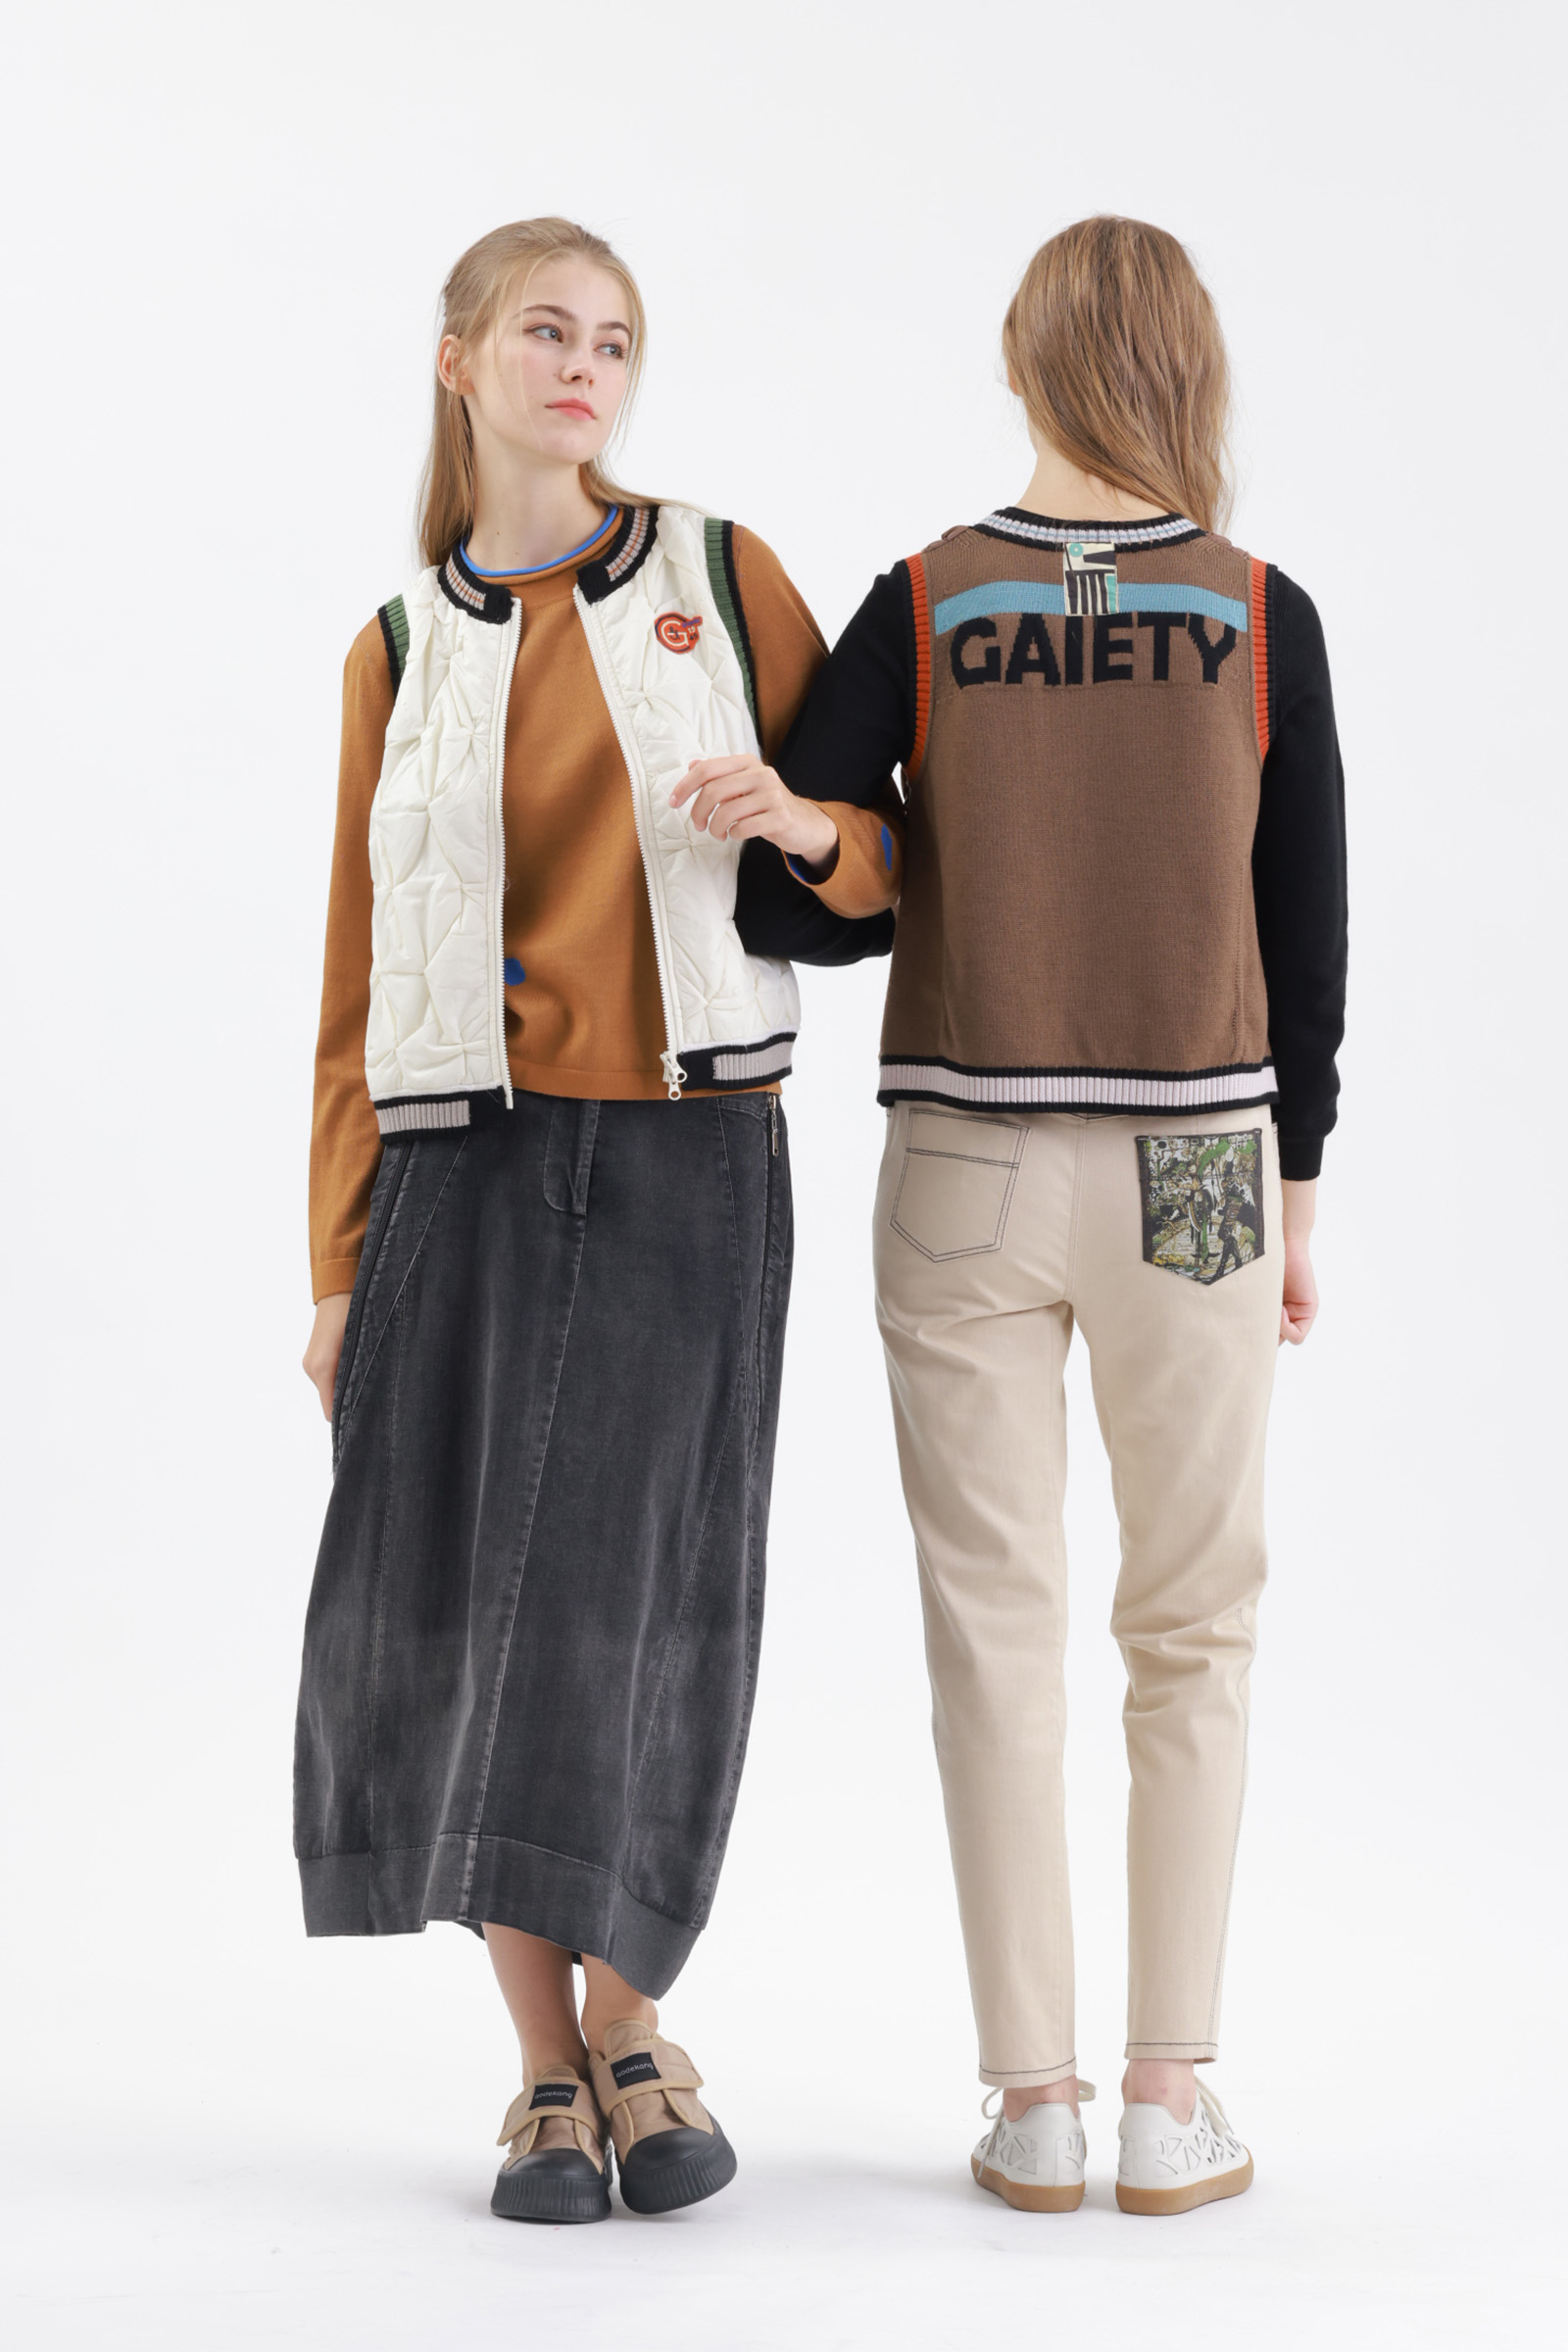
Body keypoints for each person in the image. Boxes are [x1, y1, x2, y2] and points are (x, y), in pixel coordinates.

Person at [680, 215, 1347, 2217]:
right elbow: (1304, 926)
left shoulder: (925, 599)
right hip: (1203, 1163)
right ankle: (1168, 2094)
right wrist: (1298, 1187)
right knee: (1193, 1628)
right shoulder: (1256, 611)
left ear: (1018, 356)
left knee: (994, 1629)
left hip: (964, 1153)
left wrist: (836, 831)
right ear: (1189, 363)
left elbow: (801, 900)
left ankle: (1032, 2103)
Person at [295, 217, 901, 2225]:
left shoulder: (720, 576)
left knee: (657, 1593)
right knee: (478, 1601)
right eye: (546, 332)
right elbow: (353, 982)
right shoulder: (400, 647)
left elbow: (884, 856)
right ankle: (544, 2066)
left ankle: (637, 2020)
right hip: (458, 1166)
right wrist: (336, 1269)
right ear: (460, 361)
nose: (584, 367)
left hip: (686, 1155)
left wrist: (804, 825)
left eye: (616, 340)